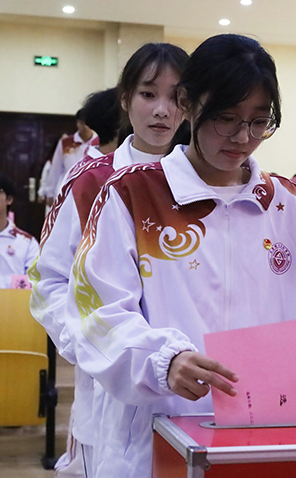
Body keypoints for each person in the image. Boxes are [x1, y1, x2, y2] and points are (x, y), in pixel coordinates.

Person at [64, 34, 296, 478]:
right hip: (160, 432)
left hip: (271, 433)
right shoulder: (131, 195)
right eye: (226, 118)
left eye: (259, 121)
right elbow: (96, 314)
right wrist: (162, 361)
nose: (243, 137)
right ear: (188, 103)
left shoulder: (288, 206)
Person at [29, 43, 190, 478]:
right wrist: (92, 343)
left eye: (176, 97)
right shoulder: (90, 181)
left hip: (189, 388)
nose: (162, 110)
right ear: (125, 99)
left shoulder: (205, 184)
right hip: (108, 389)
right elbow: (49, 281)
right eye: (148, 94)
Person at [39, 109, 100, 205]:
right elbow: (56, 168)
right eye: (82, 123)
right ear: (77, 123)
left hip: (92, 190)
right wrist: (50, 192)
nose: (85, 127)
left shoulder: (99, 142)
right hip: (68, 191)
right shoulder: (65, 143)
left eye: (87, 123)